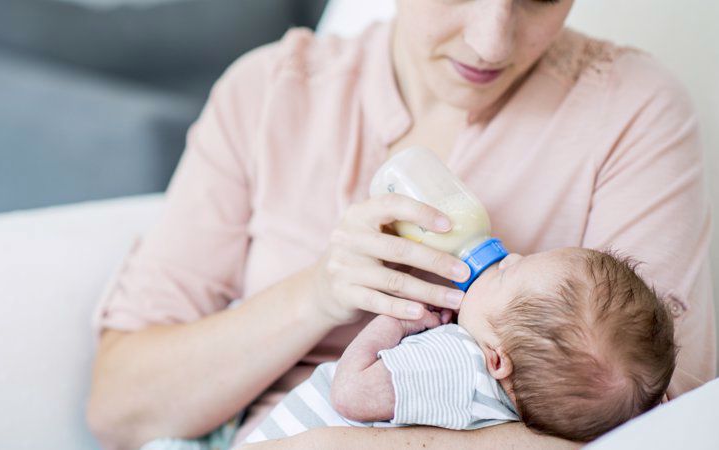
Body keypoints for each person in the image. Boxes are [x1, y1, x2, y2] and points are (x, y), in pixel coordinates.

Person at [86, 0, 715, 448]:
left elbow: (649, 423)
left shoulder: (632, 111)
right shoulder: (270, 93)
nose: (491, 40)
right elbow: (119, 407)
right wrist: (318, 294)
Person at [244, 248, 677, 444]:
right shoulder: (521, 406)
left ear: (496, 359)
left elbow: (351, 394)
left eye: (508, 274)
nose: (506, 259)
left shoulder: (458, 363)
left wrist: (393, 323)